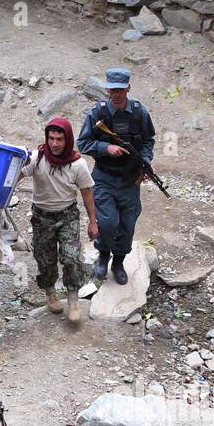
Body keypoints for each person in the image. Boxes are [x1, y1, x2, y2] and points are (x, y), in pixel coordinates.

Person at [76, 67, 156, 285]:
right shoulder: (97, 113)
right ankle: (103, 255)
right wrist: (105, 148)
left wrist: (146, 162)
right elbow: (82, 143)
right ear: (107, 89)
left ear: (128, 88)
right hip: (104, 177)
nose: (117, 94)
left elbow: (149, 141)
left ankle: (118, 262)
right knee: (109, 223)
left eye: (121, 89)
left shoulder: (140, 113)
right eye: (113, 89)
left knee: (127, 225)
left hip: (130, 180)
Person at [18, 117, 98, 323]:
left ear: (68, 139)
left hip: (67, 215)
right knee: (44, 259)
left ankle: (72, 298)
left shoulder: (77, 164)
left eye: (59, 139)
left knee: (71, 258)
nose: (54, 143)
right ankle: (51, 294)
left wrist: (93, 221)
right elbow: (15, 176)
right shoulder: (37, 159)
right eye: (51, 138)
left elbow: (87, 193)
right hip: (41, 217)